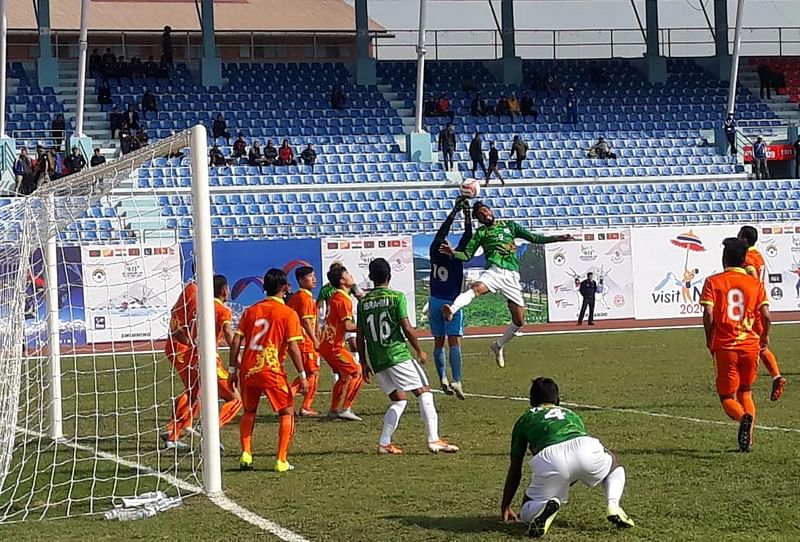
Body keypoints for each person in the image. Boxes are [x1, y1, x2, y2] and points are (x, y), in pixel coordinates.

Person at [439, 202, 573, 367]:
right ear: (479, 220)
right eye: (480, 214)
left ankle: (498, 345)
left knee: (519, 320)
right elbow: (467, 255)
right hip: (494, 271)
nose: (484, 214)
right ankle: (451, 309)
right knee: (476, 289)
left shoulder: (510, 226)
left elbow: (535, 238)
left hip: (511, 275)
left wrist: (558, 238)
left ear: (491, 210)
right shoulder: (481, 233)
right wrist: (453, 253)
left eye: (485, 210)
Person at [500, 377, 634, 537]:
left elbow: (515, 468)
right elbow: (575, 460)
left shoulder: (525, 419)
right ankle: (613, 504)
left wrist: (505, 505)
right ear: (558, 399)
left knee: (528, 508)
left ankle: (543, 507)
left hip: (550, 457)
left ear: (531, 401)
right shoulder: (571, 414)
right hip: (585, 447)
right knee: (614, 466)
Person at [357, 258, 459, 455]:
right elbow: (406, 327)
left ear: (370, 277)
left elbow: (360, 335)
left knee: (399, 400)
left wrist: (363, 362)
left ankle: (384, 443)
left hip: (377, 359)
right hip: (397, 354)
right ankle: (434, 439)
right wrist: (419, 350)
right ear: (389, 276)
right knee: (425, 392)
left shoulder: (363, 303)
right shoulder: (396, 297)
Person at [228, 269, 307, 473]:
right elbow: (292, 347)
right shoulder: (288, 314)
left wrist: (232, 369)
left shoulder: (251, 310)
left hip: (248, 369)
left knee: (249, 411)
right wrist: (303, 374)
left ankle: (246, 453)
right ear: (284, 288)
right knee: (287, 412)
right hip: (270, 368)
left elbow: (236, 340)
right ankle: (281, 460)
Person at [700, 238, 770, 453]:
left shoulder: (714, 281)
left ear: (724, 258)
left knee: (727, 397)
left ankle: (742, 417)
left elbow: (709, 313)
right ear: (743, 259)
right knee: (746, 392)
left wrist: (709, 336)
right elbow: (766, 315)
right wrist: (764, 337)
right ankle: (747, 441)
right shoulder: (755, 284)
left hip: (725, 346)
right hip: (750, 344)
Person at [163, 275, 242, 448]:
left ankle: (173, 435)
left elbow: (175, 330)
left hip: (192, 356)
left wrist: (191, 342)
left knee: (192, 394)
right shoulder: (222, 310)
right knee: (235, 399)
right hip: (209, 359)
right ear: (224, 290)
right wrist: (238, 359)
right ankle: (211, 432)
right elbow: (229, 335)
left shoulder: (201, 306)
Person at [428, 198, 472, 398]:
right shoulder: (456, 256)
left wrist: (454, 211)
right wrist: (467, 214)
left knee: (438, 342)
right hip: (451, 304)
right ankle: (457, 380)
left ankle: (442, 379)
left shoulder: (434, 253)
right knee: (454, 342)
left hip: (434, 301)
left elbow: (441, 232)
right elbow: (468, 235)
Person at [737, 226, 785, 400]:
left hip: (752, 306)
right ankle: (776, 377)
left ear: (743, 239)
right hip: (759, 304)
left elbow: (750, 280)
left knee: (748, 345)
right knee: (761, 346)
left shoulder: (747, 258)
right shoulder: (758, 255)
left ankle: (745, 384)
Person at [318, 265, 364, 421]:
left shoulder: (336, 297)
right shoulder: (343, 300)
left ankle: (334, 410)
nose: (351, 276)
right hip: (334, 346)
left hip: (327, 344)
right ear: (342, 280)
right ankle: (345, 408)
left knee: (344, 376)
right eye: (348, 274)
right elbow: (348, 326)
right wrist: (367, 328)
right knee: (357, 372)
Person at [288, 266, 322, 416]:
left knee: (309, 373)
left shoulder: (297, 297)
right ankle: (302, 405)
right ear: (301, 280)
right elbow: (306, 322)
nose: (314, 279)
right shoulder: (304, 298)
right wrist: (315, 339)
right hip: (304, 342)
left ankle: (291, 399)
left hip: (299, 341)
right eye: (310, 276)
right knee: (312, 373)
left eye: (314, 276)